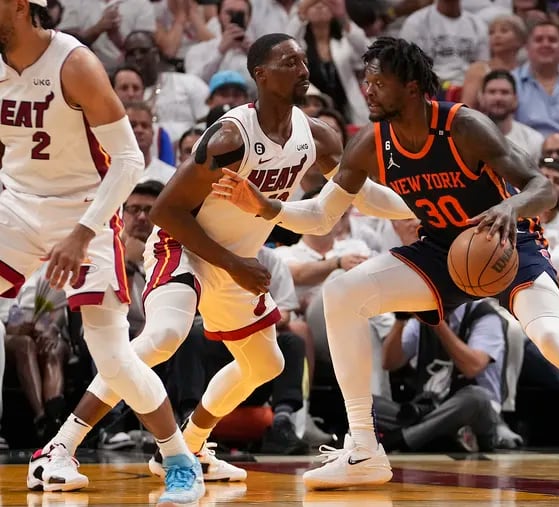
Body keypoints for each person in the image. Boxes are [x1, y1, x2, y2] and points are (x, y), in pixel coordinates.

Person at [212, 36, 559, 494]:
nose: (367, 91)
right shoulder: (371, 144)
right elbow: (321, 215)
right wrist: (267, 207)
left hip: (507, 246)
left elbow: (543, 187)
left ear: (411, 88)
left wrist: (510, 209)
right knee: (342, 293)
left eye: (377, 82)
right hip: (441, 250)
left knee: (552, 337)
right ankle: (363, 449)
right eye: (365, 81)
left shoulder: (463, 125)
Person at [42, 31, 414, 488]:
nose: (303, 70)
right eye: (290, 62)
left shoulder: (317, 134)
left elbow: (362, 196)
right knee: (164, 335)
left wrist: (422, 205)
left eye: (303, 61)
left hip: (235, 259)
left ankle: (192, 445)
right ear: (260, 75)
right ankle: (60, 446)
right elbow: (165, 211)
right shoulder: (229, 137)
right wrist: (234, 264)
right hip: (184, 245)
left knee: (266, 363)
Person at [0, 1, 202, 503]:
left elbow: (130, 160)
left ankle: (179, 458)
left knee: (111, 357)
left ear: (22, 7)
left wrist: (82, 231)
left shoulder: (75, 64)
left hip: (87, 209)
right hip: (18, 207)